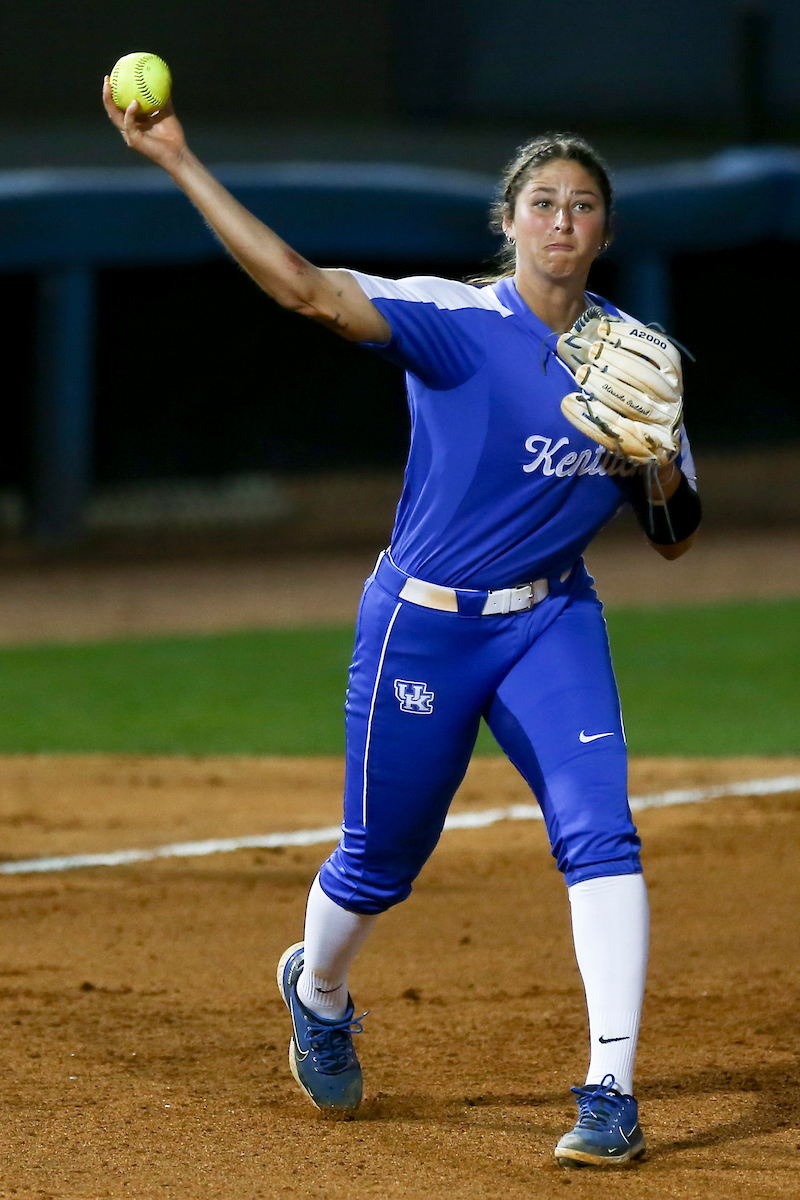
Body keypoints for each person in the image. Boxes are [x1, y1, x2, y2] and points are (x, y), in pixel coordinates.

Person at [103, 82, 701, 1169]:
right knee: (381, 860)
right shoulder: (454, 321)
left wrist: (656, 456)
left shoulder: (638, 364)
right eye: (541, 202)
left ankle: (608, 1089)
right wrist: (179, 161)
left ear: (604, 230)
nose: (561, 219)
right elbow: (302, 290)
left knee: (601, 836)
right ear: (508, 223)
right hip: (420, 628)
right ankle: (318, 988)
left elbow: (670, 535)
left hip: (550, 624)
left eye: (581, 205)